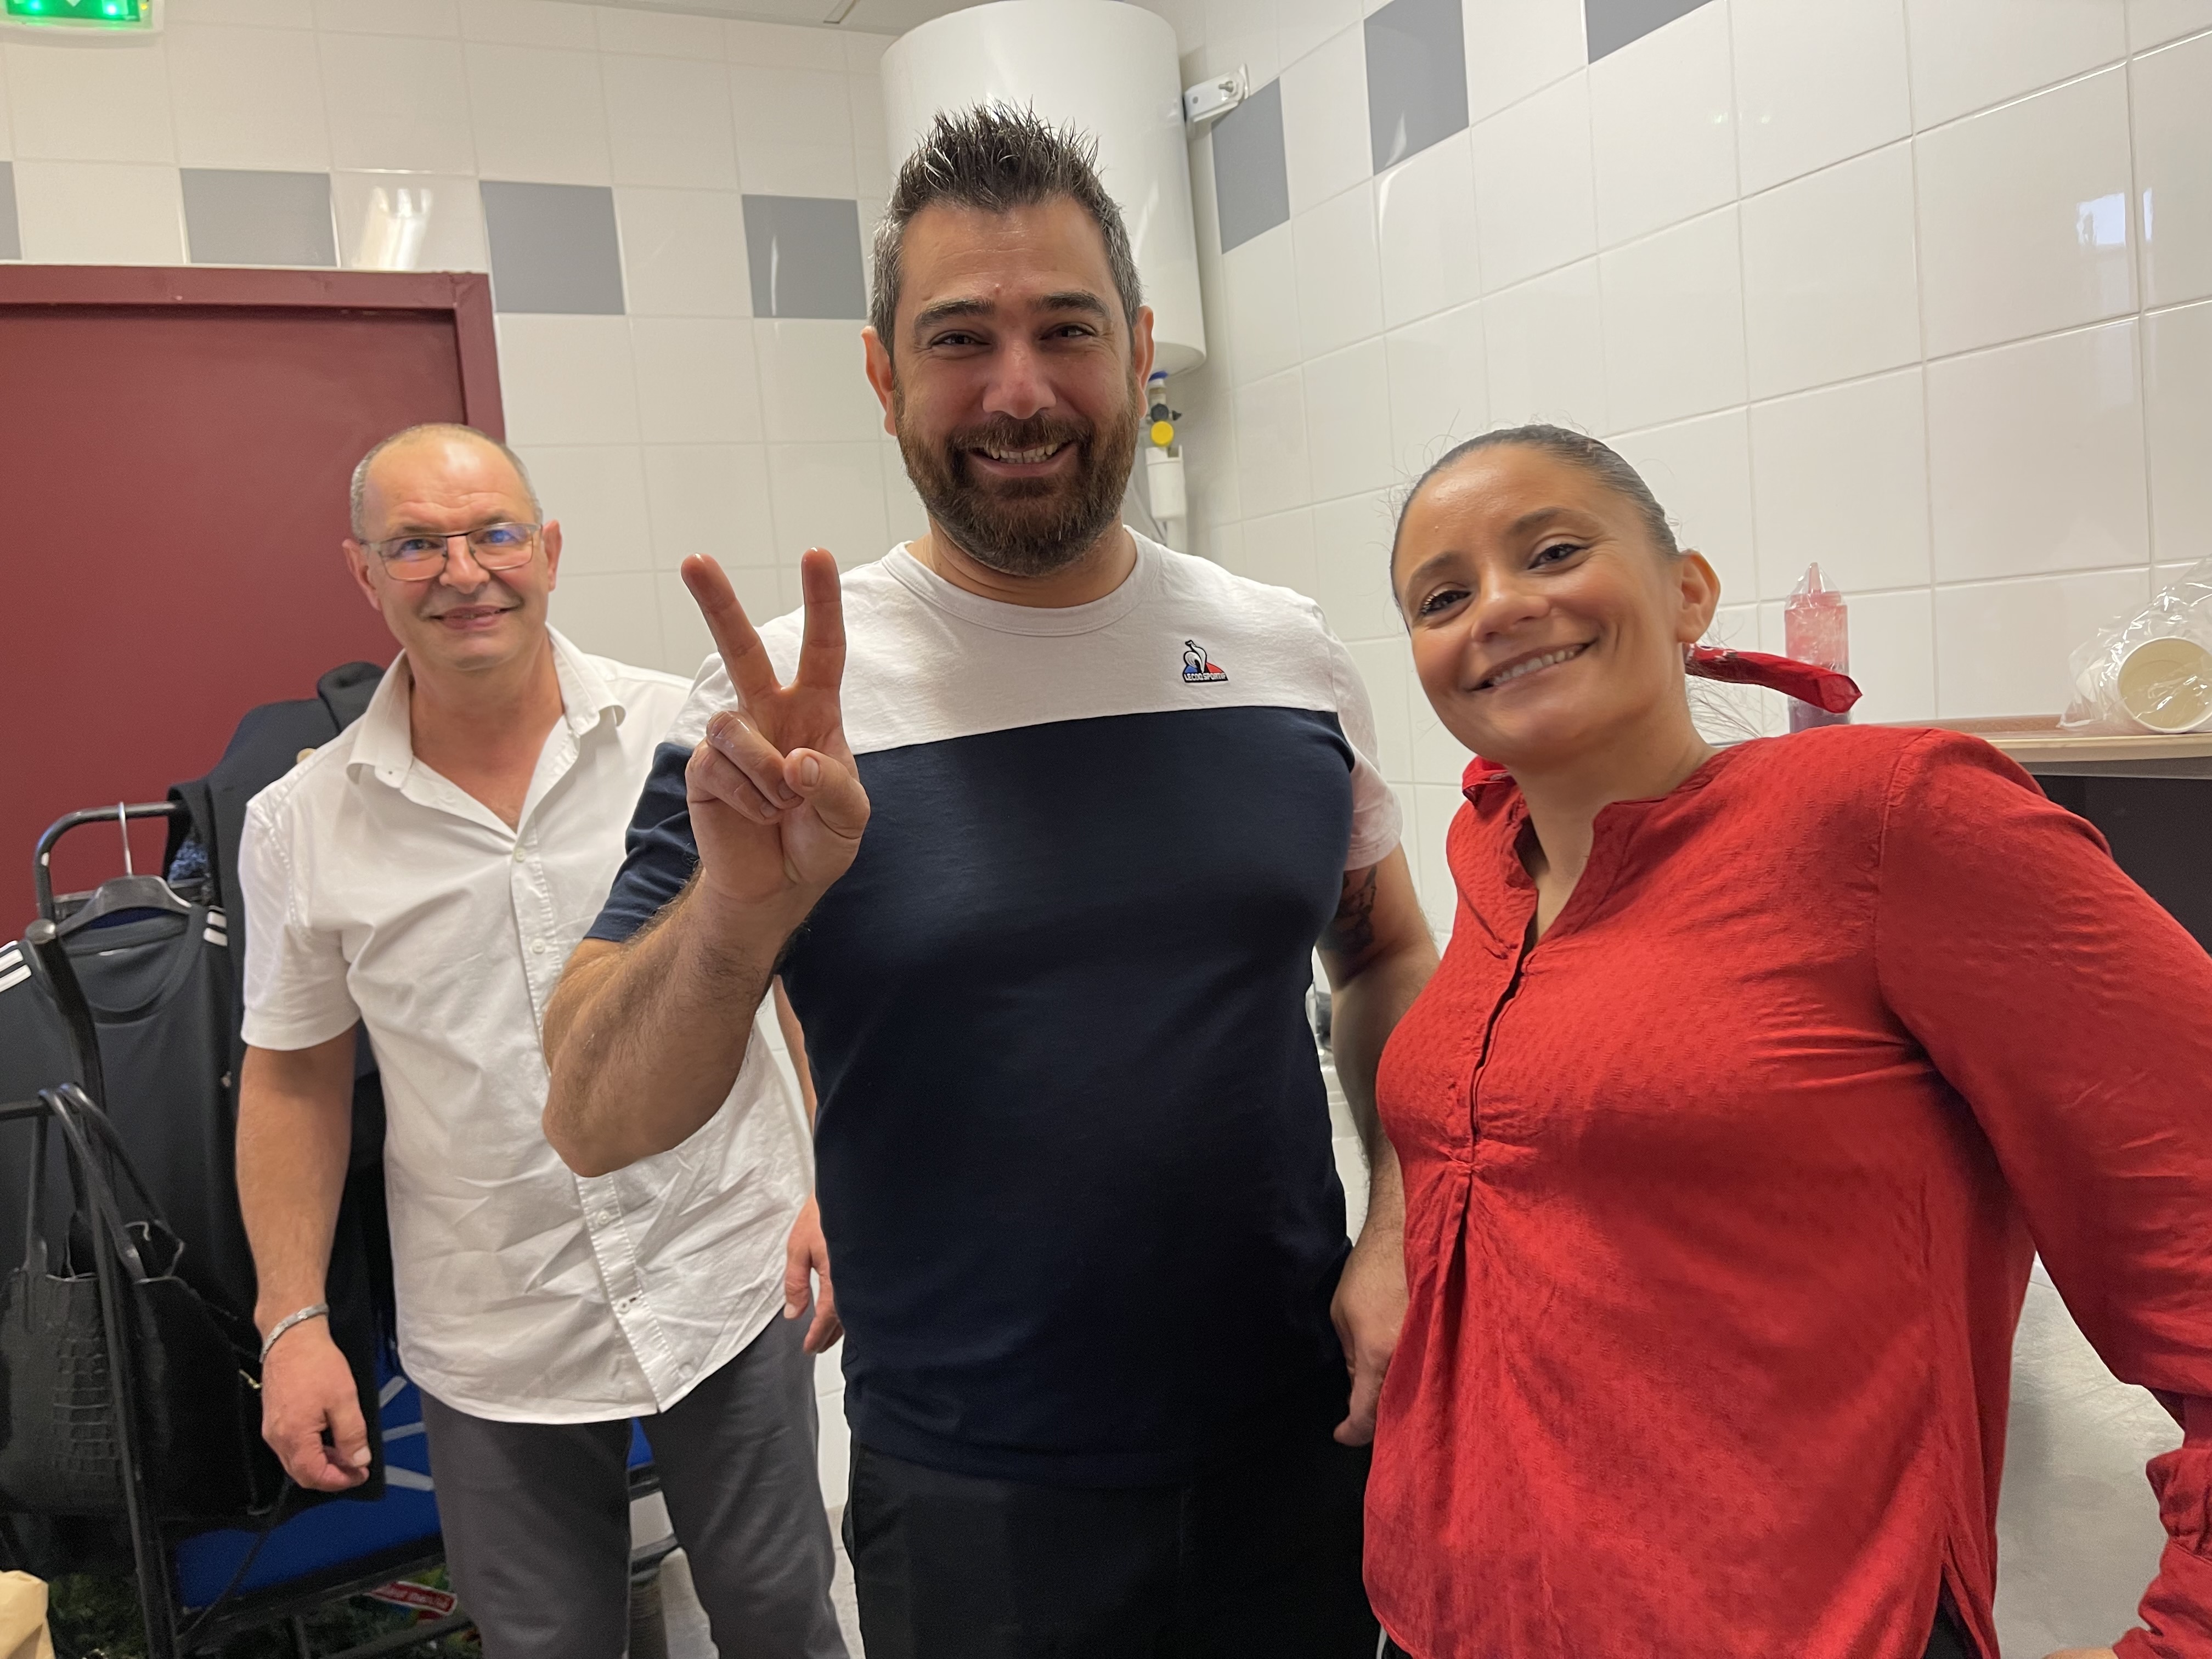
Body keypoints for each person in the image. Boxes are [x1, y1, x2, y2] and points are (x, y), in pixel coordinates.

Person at [540, 106, 1438, 1658]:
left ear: (1139, 349)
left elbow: (1386, 953)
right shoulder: (781, 712)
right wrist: (744, 911)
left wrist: (1404, 1221)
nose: (1019, 391)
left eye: (1067, 330)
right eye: (961, 338)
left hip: (1303, 1445)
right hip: (976, 1508)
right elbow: (593, 1116)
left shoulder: (1283, 653)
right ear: (883, 374)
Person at [1367, 424, 2212, 1659]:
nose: (1497, 607)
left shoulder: (1891, 820)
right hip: (1436, 1621)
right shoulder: (1491, 868)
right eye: (1443, 597)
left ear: (1688, 593)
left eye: (1550, 552)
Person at [235, 424, 848, 1659]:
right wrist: (291, 1320)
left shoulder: (683, 734)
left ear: (550, 551)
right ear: (365, 572)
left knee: (783, 1618)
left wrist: (836, 1175)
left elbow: (789, 968)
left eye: (495, 535)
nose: (465, 572)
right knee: (543, 1646)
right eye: (418, 545)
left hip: (722, 1269)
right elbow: (294, 1079)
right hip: (494, 1324)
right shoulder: (302, 821)